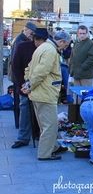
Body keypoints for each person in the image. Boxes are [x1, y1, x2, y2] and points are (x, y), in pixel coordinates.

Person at [23, 29, 71, 160]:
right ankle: (45, 154)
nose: (64, 48)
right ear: (61, 41)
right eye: (65, 45)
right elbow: (41, 72)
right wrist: (30, 85)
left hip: (40, 92)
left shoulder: (43, 47)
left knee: (46, 124)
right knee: (50, 125)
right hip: (45, 93)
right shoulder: (50, 50)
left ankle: (53, 147)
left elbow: (29, 68)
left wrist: (28, 83)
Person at [10, 34, 37, 148]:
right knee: (25, 110)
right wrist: (21, 84)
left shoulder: (45, 47)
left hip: (40, 85)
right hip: (24, 84)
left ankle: (38, 134)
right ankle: (23, 137)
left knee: (40, 111)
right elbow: (15, 66)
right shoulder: (22, 46)